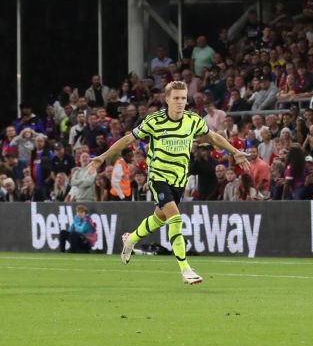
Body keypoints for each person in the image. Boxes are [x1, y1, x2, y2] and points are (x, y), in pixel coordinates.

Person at [88, 80, 251, 285]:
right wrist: (102, 157)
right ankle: (185, 269)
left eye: (183, 98)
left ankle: (131, 240)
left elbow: (213, 138)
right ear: (166, 100)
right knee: (175, 217)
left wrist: (235, 152)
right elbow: (129, 140)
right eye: (176, 98)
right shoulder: (154, 121)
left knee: (160, 217)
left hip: (179, 179)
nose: (181, 102)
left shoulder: (192, 120)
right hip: (158, 177)